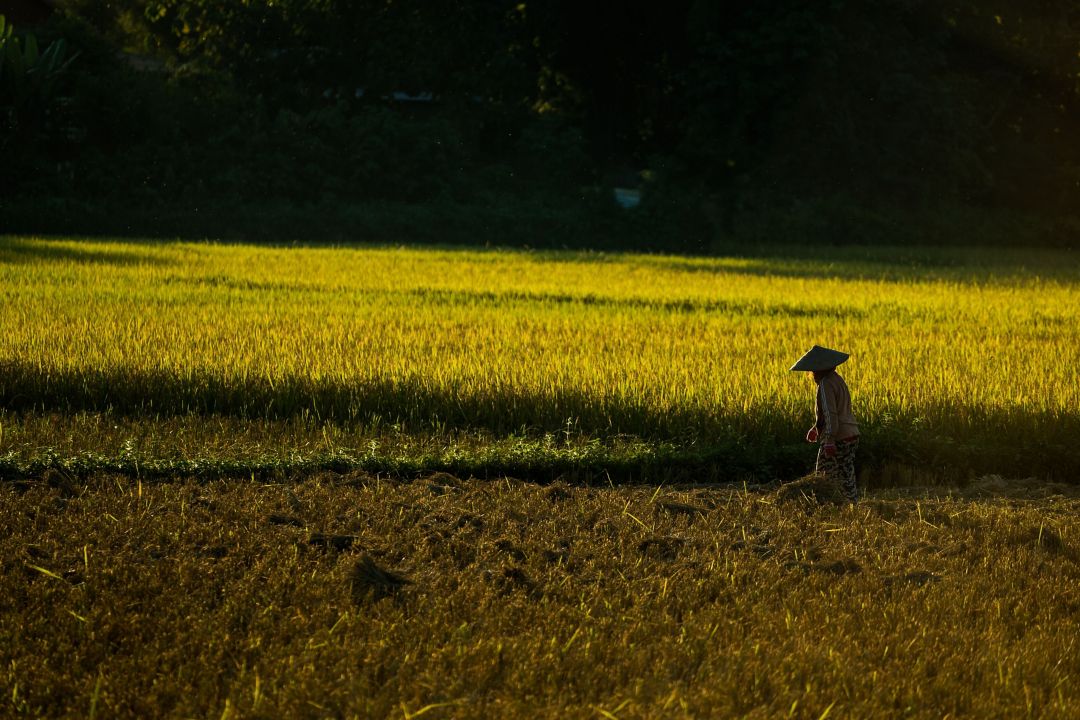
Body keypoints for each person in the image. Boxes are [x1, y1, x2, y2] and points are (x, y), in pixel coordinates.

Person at [790, 345, 860, 502]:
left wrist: (829, 438)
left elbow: (831, 413)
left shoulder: (825, 384)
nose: (811, 376)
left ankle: (825, 507)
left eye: (812, 372)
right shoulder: (837, 380)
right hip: (851, 434)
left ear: (818, 370)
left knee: (823, 476)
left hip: (838, 437)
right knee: (845, 474)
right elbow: (838, 411)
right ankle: (851, 506)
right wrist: (817, 427)